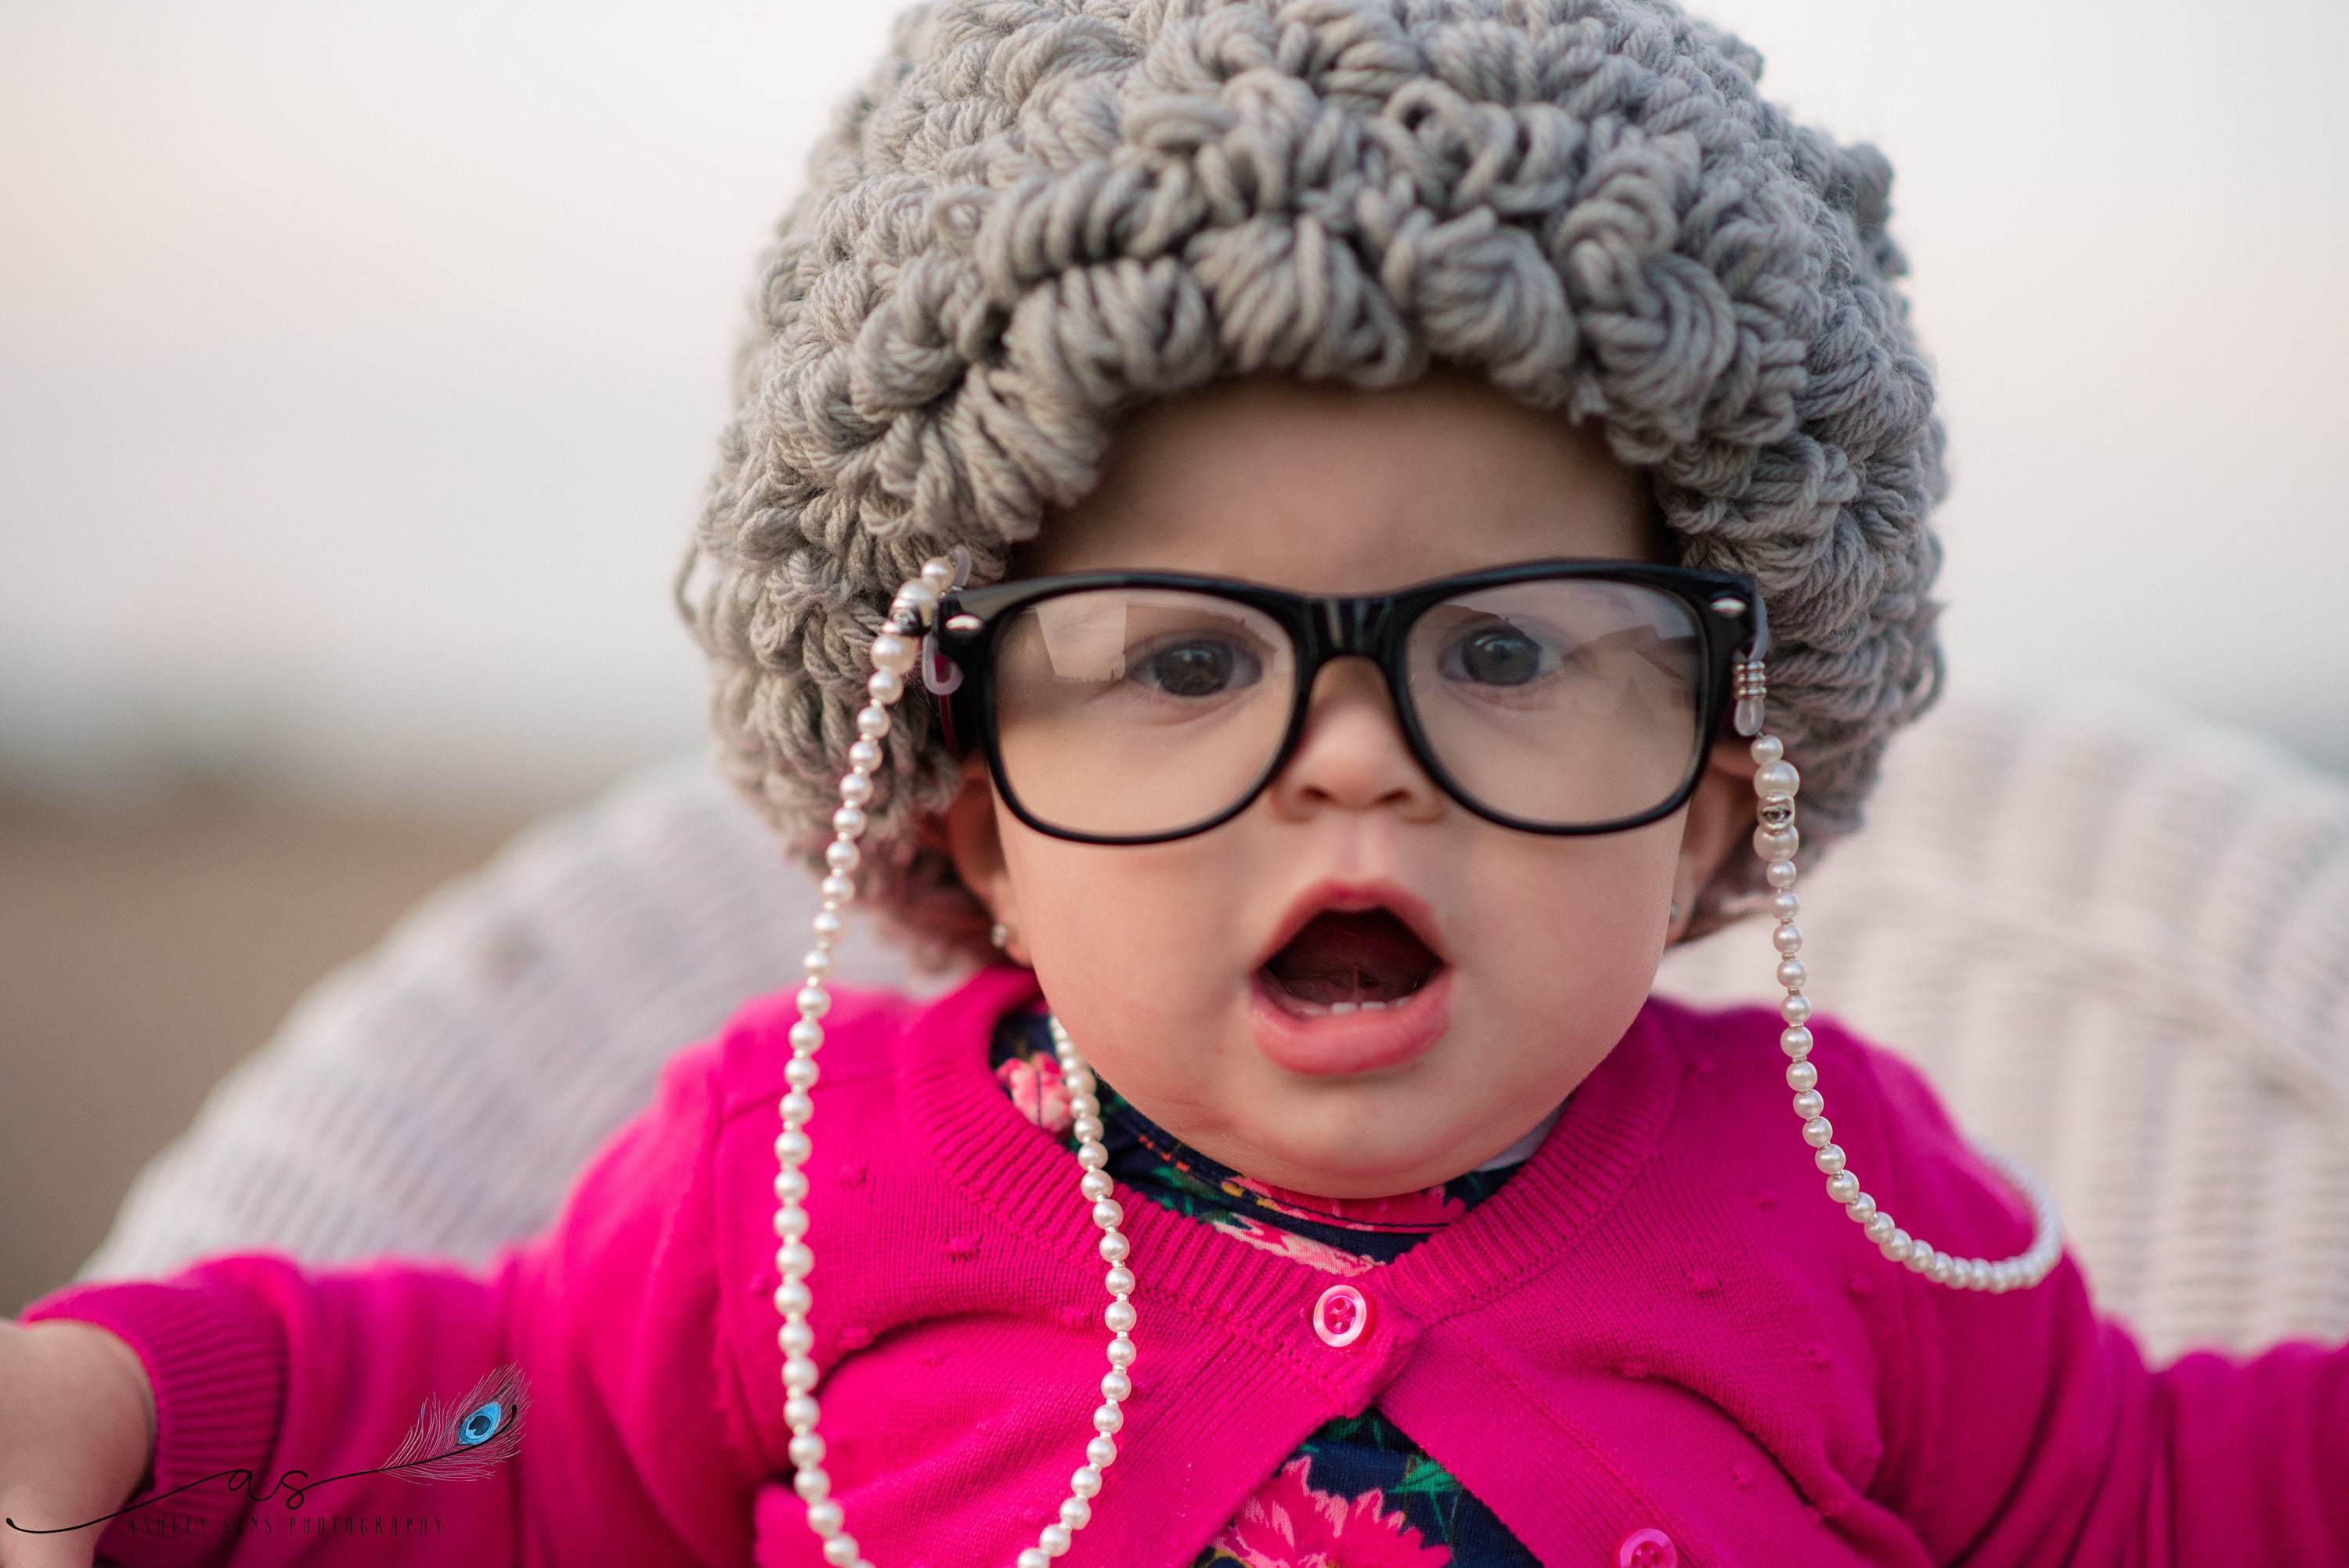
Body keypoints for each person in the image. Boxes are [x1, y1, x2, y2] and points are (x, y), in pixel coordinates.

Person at [5, 1, 2344, 1563]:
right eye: (1186, 659)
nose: (1350, 762)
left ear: (1727, 790)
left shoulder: (1859, 1217)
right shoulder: (796, 1191)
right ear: (964, 804)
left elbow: (2164, 1493)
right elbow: (478, 1425)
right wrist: (116, 1411)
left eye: (1506, 647)